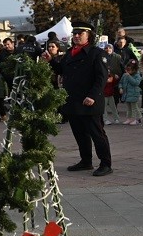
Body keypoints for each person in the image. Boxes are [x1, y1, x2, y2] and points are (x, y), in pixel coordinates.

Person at [45, 20, 112, 176]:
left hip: (89, 101)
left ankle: (106, 164)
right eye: (74, 33)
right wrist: (51, 61)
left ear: (89, 35)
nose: (76, 36)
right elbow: (61, 70)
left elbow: (101, 78)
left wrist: (92, 96)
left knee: (97, 134)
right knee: (80, 134)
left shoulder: (96, 53)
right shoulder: (70, 52)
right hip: (73, 100)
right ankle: (86, 161)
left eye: (80, 33)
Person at [103, 43, 124, 125]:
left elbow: (122, 66)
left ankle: (116, 118)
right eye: (106, 48)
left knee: (114, 103)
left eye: (109, 48)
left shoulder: (117, 57)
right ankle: (105, 119)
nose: (108, 49)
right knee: (104, 106)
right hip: (104, 91)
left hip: (115, 79)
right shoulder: (102, 57)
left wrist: (119, 76)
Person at [118, 61, 142, 125]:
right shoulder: (124, 75)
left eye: (129, 70)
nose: (127, 72)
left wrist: (129, 77)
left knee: (134, 107)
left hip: (134, 93)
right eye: (127, 70)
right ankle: (129, 118)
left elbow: (136, 83)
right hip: (126, 94)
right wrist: (120, 88)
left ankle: (135, 119)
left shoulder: (137, 75)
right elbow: (121, 82)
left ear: (134, 70)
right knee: (128, 107)